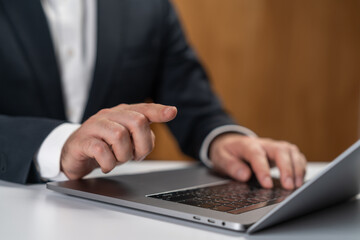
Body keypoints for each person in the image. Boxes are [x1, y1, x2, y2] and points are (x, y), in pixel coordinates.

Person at [0, 0, 306, 190]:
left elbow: (191, 102)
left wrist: (221, 139)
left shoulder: (150, 5)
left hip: (112, 215)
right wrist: (59, 145)